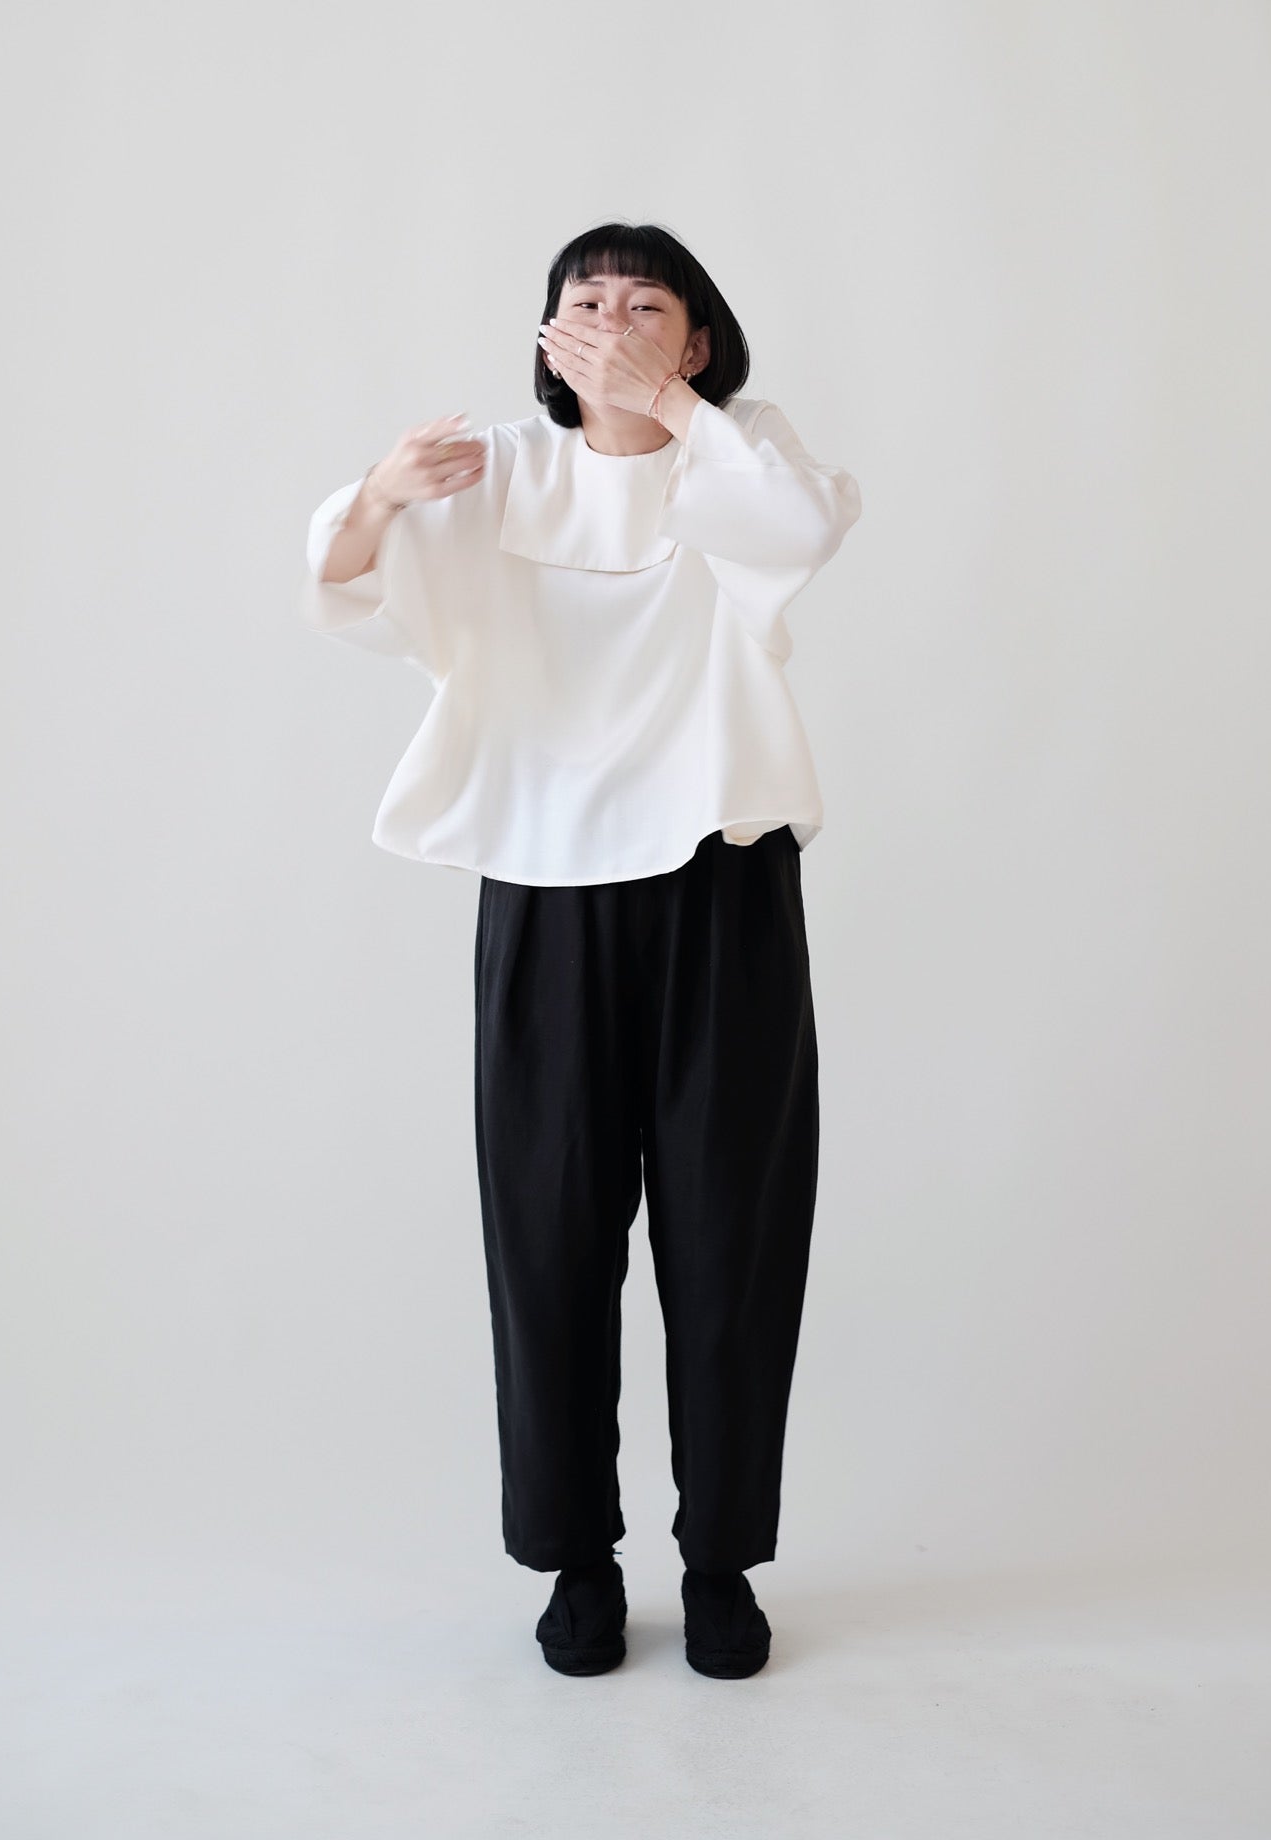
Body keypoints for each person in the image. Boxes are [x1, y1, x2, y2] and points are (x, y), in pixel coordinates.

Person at [302, 222, 861, 1679]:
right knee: (548, 1237)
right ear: (548, 333)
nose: (608, 321)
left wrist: (674, 409)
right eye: (583, 300)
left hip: (724, 876)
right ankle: (577, 1561)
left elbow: (801, 532)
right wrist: (379, 493)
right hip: (547, 886)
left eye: (645, 303)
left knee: (733, 1234)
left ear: (699, 338)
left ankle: (722, 1562)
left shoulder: (742, 449)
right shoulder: (503, 467)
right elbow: (347, 580)